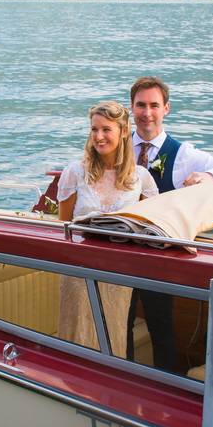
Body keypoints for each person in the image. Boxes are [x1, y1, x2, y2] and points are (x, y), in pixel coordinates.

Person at [127, 76, 213, 371]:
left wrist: (206, 177)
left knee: (162, 326)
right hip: (120, 250)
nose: (147, 113)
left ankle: (164, 385)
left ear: (166, 109)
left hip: (159, 255)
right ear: (132, 108)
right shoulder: (118, 147)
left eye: (154, 105)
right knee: (120, 320)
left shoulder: (183, 154)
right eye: (141, 105)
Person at [57, 101, 158, 355]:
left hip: (119, 273)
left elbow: (150, 227)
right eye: (94, 130)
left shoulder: (141, 178)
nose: (98, 137)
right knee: (77, 332)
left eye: (106, 130)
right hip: (78, 270)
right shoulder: (75, 172)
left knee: (114, 333)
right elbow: (64, 226)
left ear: (123, 131)